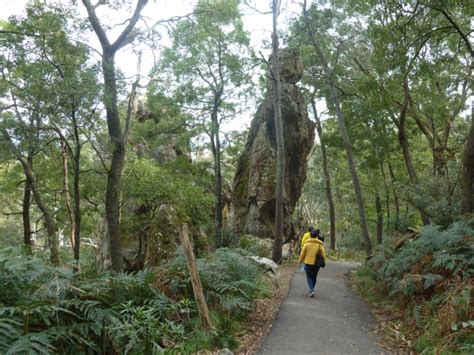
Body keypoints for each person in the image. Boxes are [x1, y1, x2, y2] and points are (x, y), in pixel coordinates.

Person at [298, 228, 327, 297]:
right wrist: (324, 262)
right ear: (316, 236)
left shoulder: (306, 244)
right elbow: (323, 254)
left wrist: (300, 261)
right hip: (316, 264)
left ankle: (311, 289)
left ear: (310, 235)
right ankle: (312, 289)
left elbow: (302, 254)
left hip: (308, 263)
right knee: (314, 276)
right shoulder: (319, 244)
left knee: (308, 276)